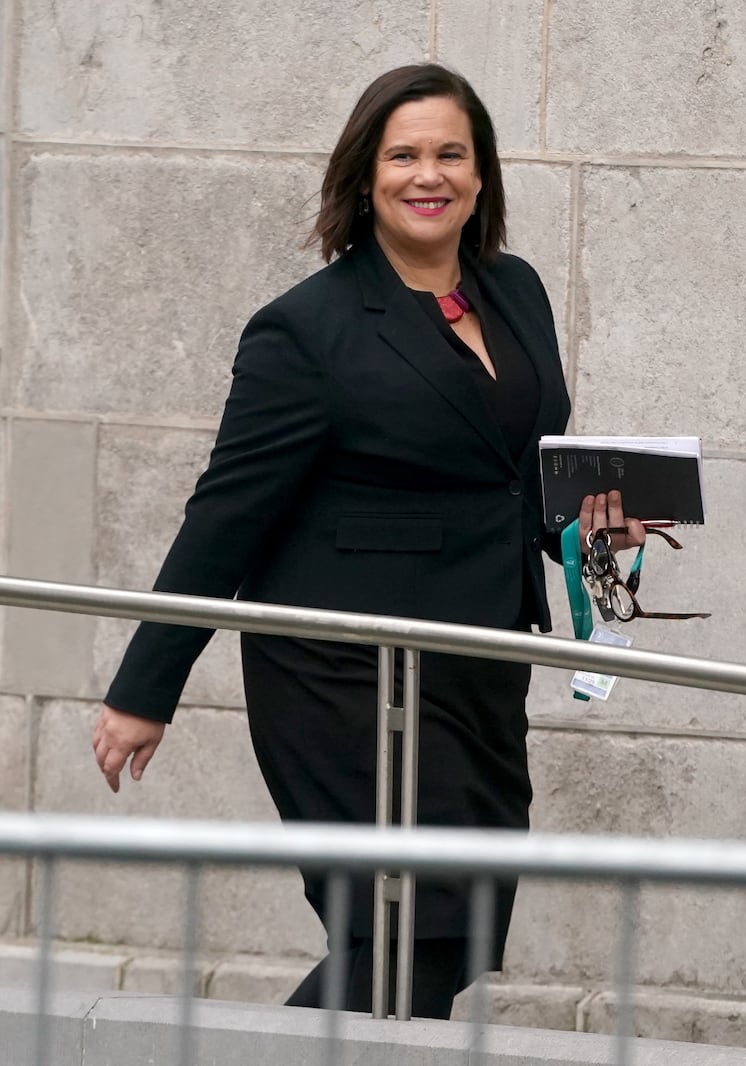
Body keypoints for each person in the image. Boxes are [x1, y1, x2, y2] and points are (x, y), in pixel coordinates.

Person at [92, 63, 644, 1019]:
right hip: (344, 674)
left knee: (457, 928)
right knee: (408, 926)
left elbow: (512, 468)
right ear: (365, 174)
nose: (426, 174)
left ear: (480, 176)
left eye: (448, 154)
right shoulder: (305, 330)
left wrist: (589, 527)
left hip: (477, 659)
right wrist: (145, 691)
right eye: (403, 155)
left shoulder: (515, 291)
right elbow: (224, 515)